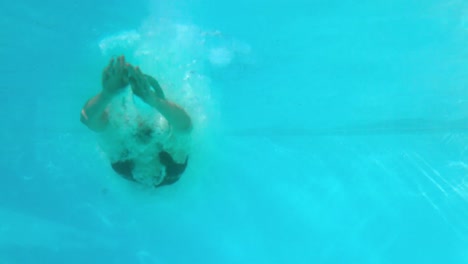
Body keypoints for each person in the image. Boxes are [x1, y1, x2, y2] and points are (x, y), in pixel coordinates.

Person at [80, 56, 192, 187]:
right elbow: (87, 119)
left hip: (169, 173)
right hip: (130, 173)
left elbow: (186, 126)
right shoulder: (119, 123)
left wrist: (156, 101)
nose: (140, 119)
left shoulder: (163, 126)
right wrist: (107, 94)